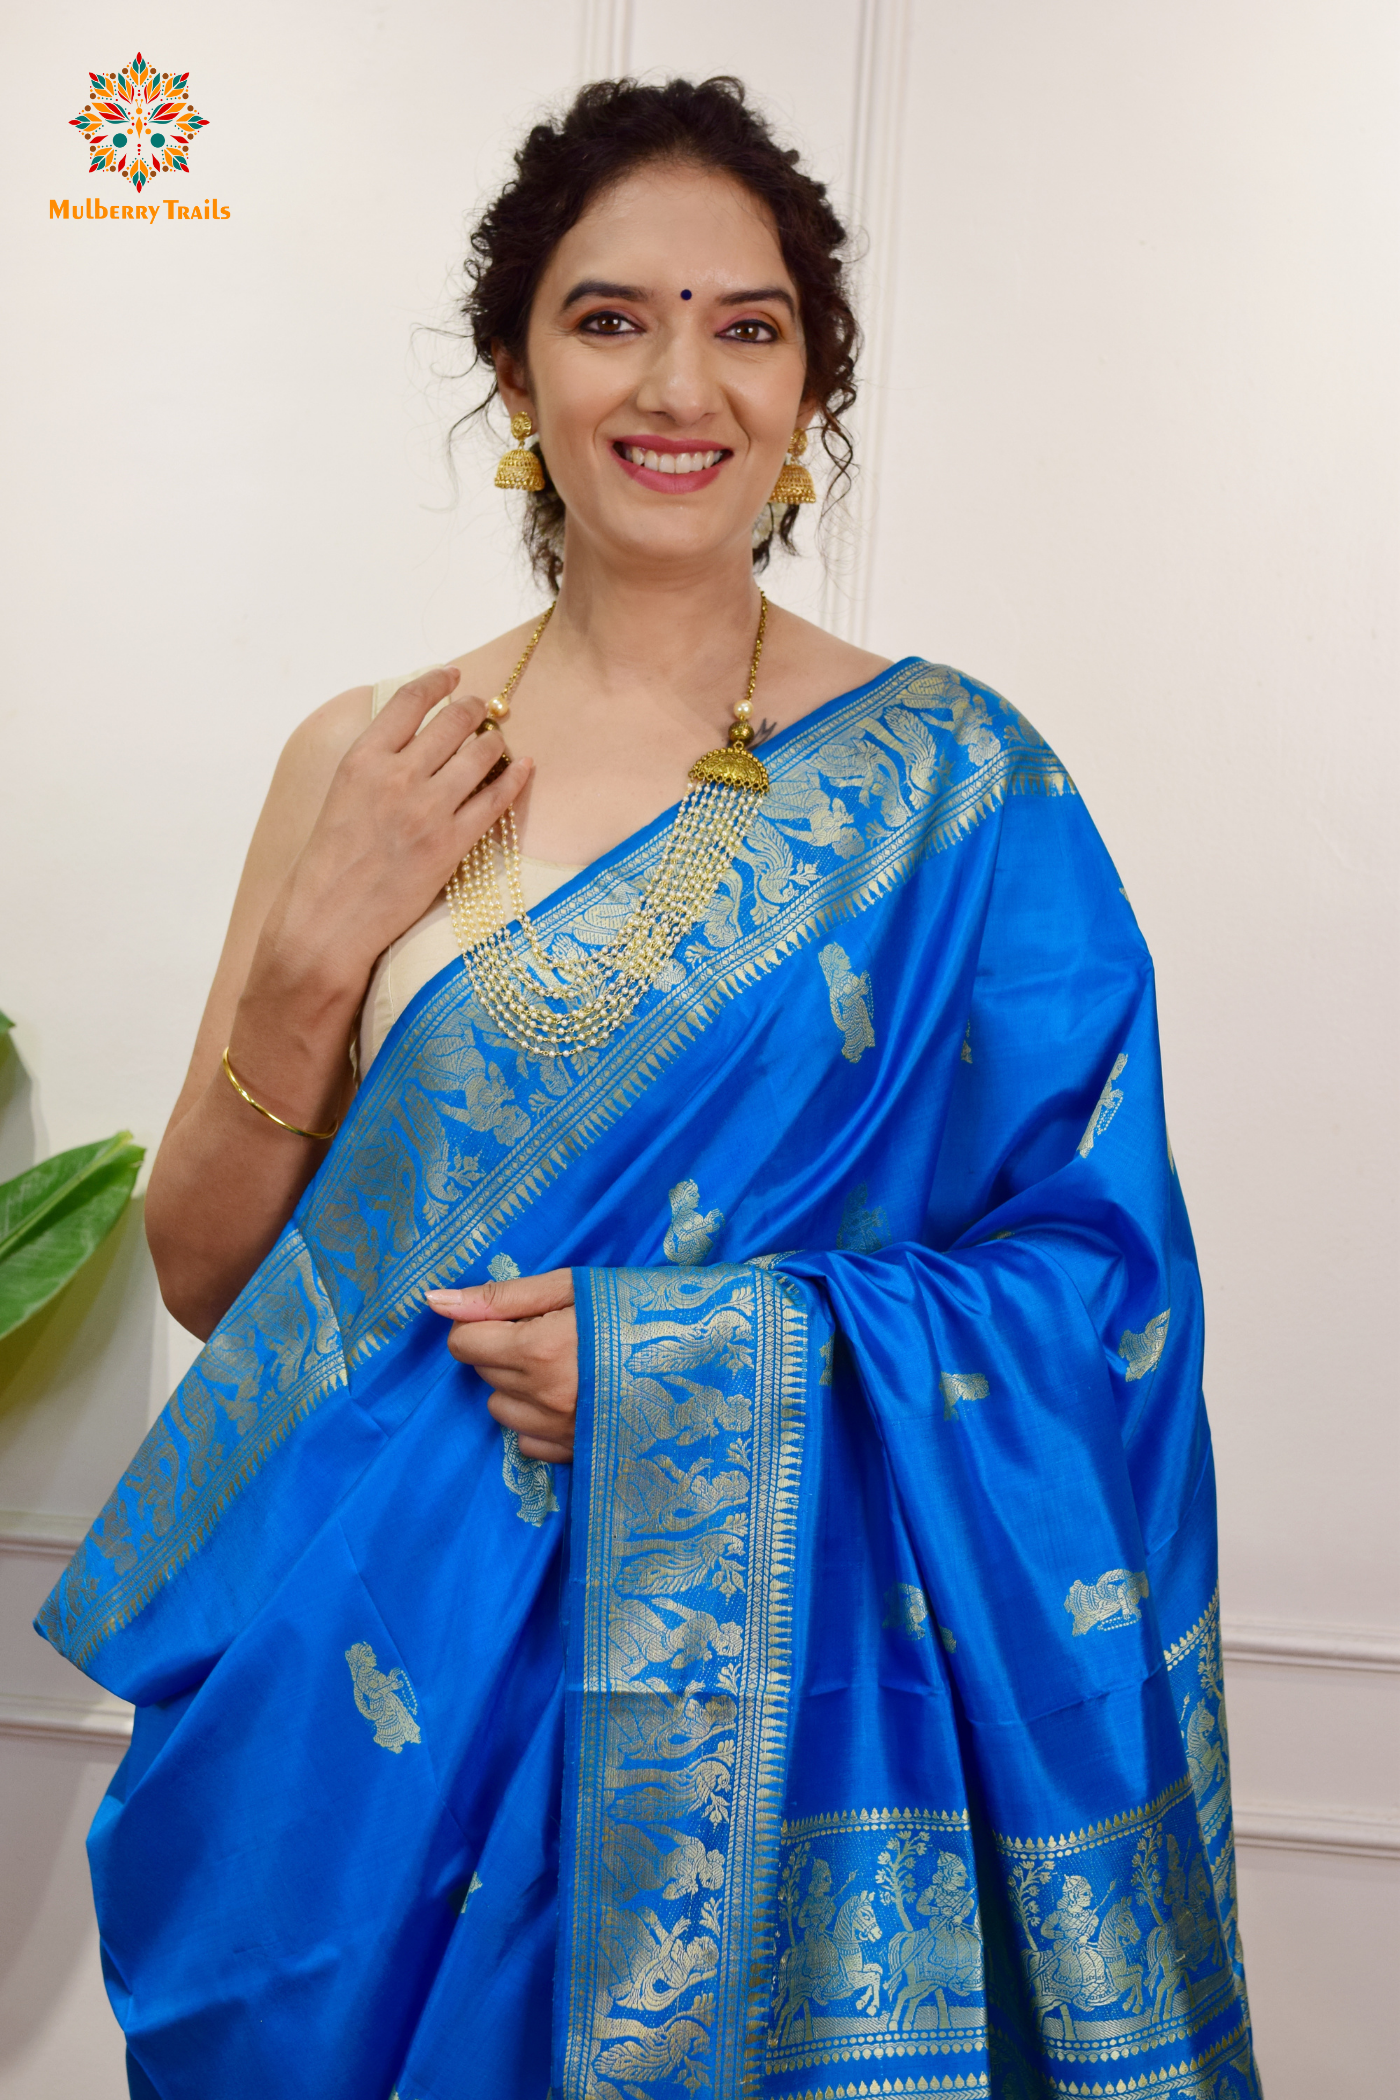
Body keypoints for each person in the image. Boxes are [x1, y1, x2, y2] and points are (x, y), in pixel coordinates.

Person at [38, 75, 1261, 2100]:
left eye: (745, 324)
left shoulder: (967, 791)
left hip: (788, 1707)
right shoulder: (374, 752)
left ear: (807, 398)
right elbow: (196, 1273)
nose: (674, 380)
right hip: (368, 1722)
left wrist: (709, 1362)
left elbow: (1098, 1290)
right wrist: (317, 948)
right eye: (608, 317)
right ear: (515, 371)